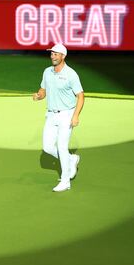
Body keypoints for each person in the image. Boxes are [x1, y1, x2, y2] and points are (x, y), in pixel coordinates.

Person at [32, 44, 84, 192]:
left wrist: (76, 116)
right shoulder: (47, 72)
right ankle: (71, 159)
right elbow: (43, 89)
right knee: (47, 147)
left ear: (63, 56)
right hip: (51, 114)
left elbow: (80, 96)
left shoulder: (71, 74)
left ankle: (66, 181)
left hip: (67, 114)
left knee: (61, 146)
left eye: (56, 54)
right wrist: (39, 95)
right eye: (52, 54)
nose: (53, 56)